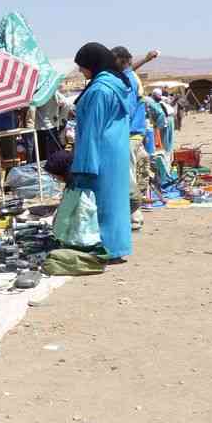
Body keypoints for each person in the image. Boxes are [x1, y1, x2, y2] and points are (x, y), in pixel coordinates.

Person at [71, 43, 132, 261]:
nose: (80, 70)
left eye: (82, 66)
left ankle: (106, 249)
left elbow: (92, 130)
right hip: (117, 150)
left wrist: (83, 166)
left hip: (100, 152)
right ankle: (117, 247)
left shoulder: (99, 90)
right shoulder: (116, 84)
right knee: (116, 201)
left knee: (102, 202)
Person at [112, 47, 158, 229]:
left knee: (128, 173)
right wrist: (146, 59)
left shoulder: (128, 80)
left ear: (121, 61)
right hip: (134, 132)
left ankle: (134, 215)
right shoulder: (128, 75)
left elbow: (128, 109)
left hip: (130, 133)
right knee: (131, 172)